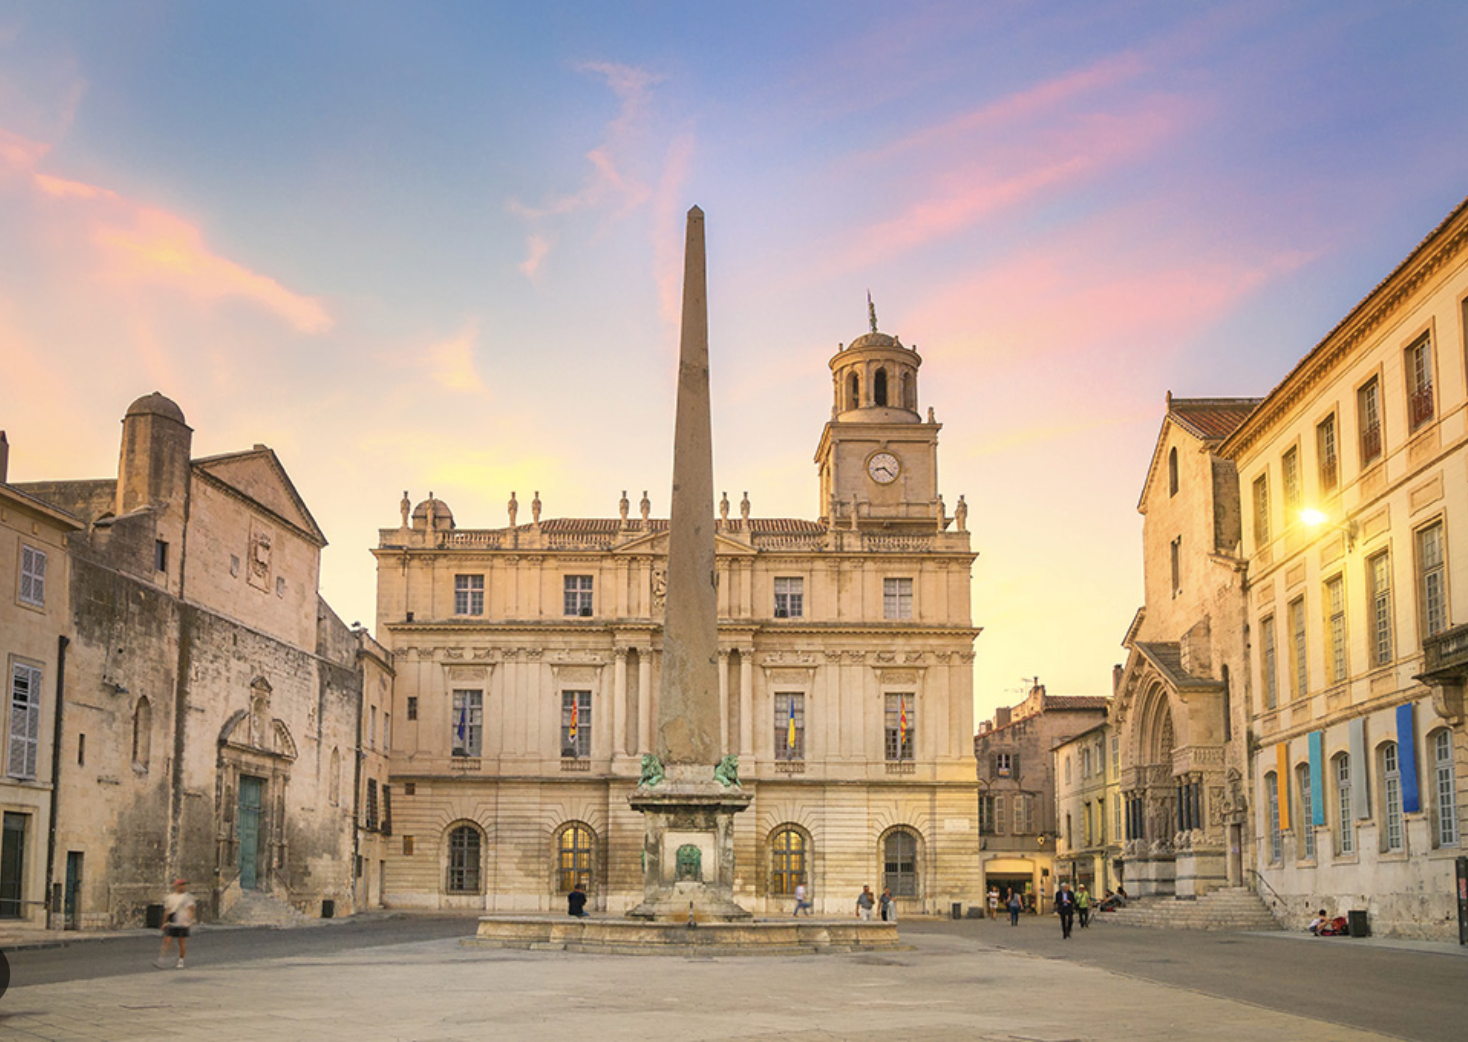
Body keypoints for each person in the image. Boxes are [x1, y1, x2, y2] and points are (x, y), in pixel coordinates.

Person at [157, 878, 196, 969]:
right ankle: (162, 959)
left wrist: (190, 919)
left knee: (181, 941)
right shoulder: (170, 897)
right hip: (173, 920)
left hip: (182, 921)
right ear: (176, 886)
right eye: (181, 885)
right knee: (167, 940)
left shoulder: (187, 897)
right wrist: (164, 922)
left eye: (184, 885)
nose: (183, 887)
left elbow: (191, 908)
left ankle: (181, 960)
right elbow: (168, 910)